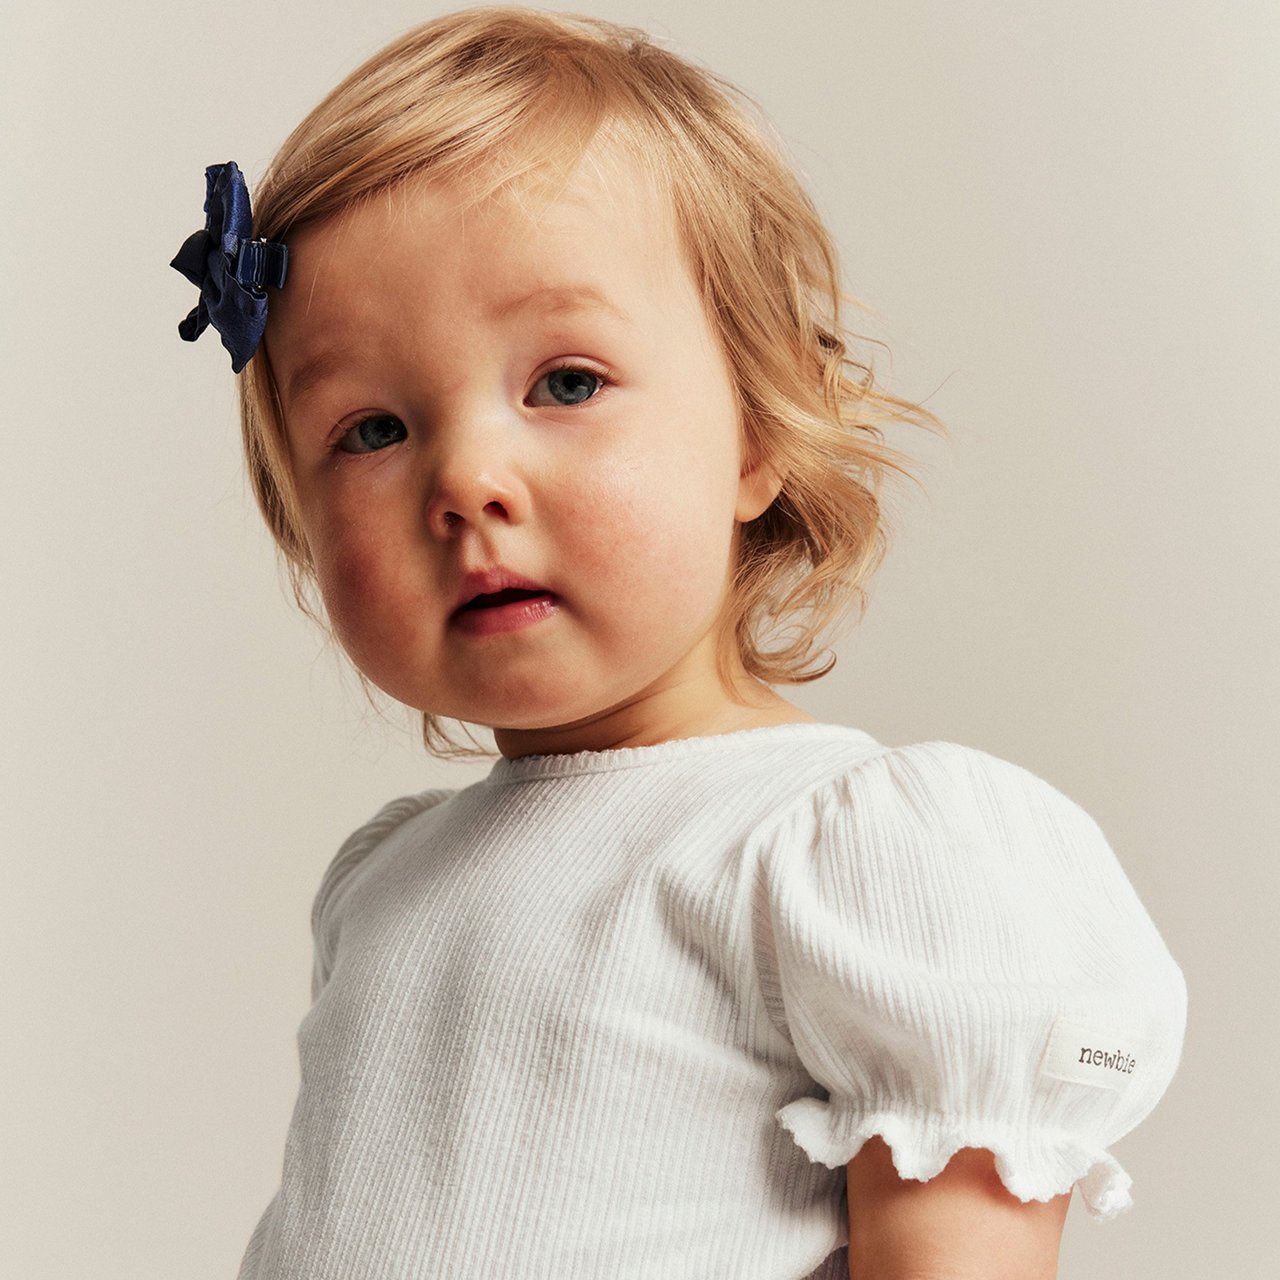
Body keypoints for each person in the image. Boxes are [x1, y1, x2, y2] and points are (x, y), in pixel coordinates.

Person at [169, 8, 1187, 1278]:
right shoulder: (383, 883)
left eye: (565, 382)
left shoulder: (855, 852)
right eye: (371, 430)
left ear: (757, 432)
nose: (466, 478)